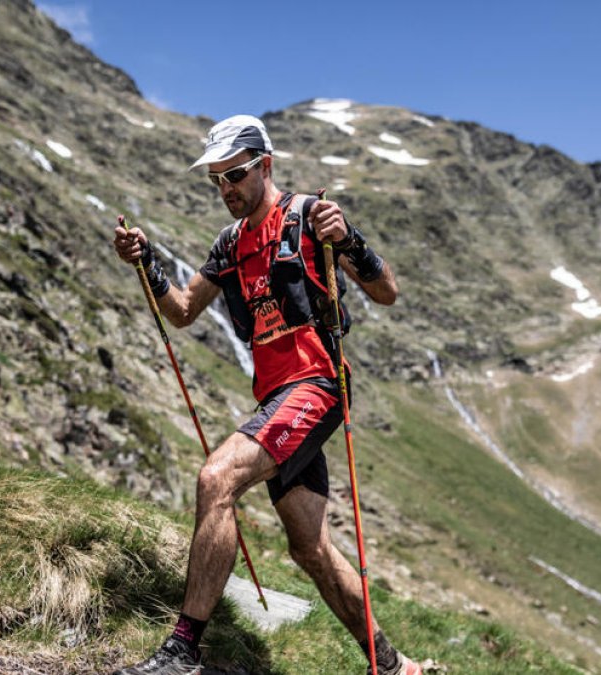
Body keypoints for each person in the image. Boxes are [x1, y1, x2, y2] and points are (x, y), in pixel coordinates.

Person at [111, 115, 419, 675]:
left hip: (319, 384)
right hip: (276, 398)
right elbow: (181, 312)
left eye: (235, 174)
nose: (226, 188)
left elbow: (387, 292)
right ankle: (394, 666)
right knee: (310, 550)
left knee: (217, 478)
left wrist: (349, 239)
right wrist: (147, 263)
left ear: (265, 164)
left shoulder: (306, 217)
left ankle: (182, 651)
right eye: (217, 180)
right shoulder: (229, 244)